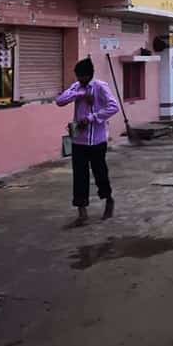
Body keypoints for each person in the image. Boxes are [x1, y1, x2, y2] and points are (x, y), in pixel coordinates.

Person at [56, 57, 120, 226]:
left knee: (100, 173)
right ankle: (82, 211)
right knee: (79, 176)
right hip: (79, 142)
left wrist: (92, 117)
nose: (79, 80)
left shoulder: (100, 86)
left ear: (89, 75)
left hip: (97, 141)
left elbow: (114, 106)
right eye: (77, 77)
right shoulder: (77, 87)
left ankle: (108, 200)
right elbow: (60, 101)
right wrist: (81, 93)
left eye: (82, 77)